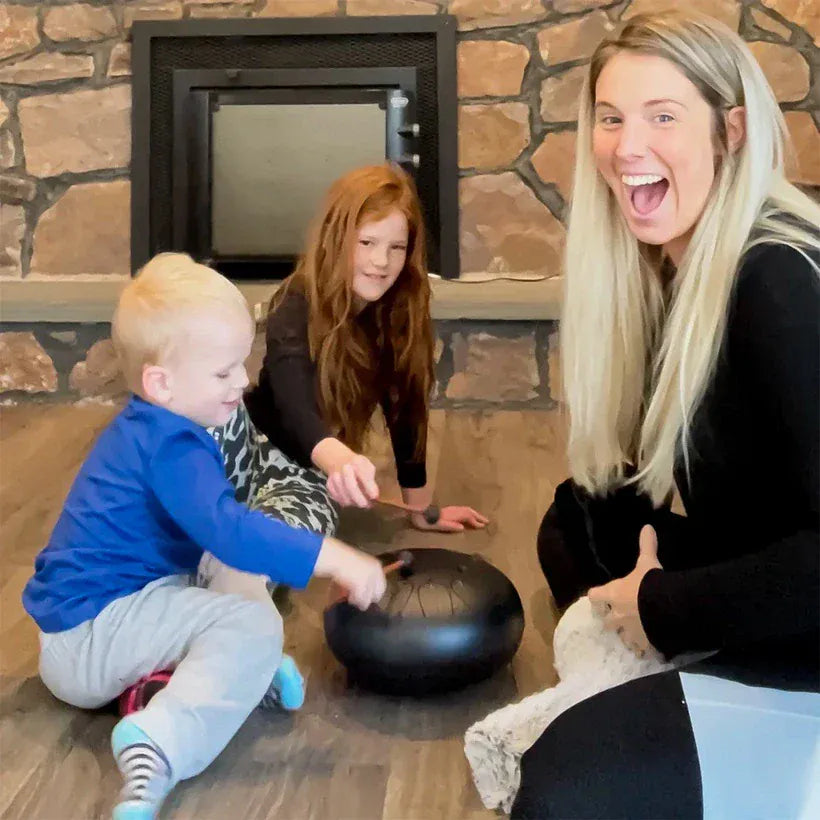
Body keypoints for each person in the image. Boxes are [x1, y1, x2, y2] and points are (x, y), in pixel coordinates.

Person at [515, 12, 820, 818]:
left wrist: (660, 608)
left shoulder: (778, 283)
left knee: (559, 789)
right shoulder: (686, 271)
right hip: (783, 573)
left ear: (731, 132)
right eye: (611, 118)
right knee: (577, 518)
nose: (627, 147)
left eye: (662, 116)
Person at [21, 253, 387, 820]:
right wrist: (336, 558)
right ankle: (160, 743)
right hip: (89, 639)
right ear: (161, 383)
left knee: (234, 571)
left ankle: (240, 669)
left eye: (242, 364)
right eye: (223, 373)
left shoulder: (160, 426)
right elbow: (231, 529)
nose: (242, 382)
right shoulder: (171, 447)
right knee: (247, 617)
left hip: (112, 613)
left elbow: (222, 539)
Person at [241, 163, 488, 536]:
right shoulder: (295, 299)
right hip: (249, 445)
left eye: (396, 248)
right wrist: (338, 458)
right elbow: (292, 396)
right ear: (336, 239)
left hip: (304, 475)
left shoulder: (400, 310)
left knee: (299, 532)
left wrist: (421, 510)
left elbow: (406, 409)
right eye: (367, 243)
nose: (381, 261)